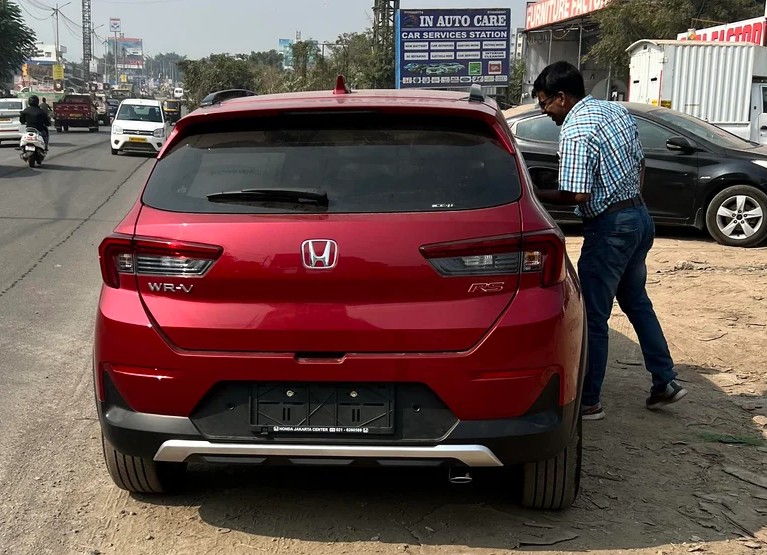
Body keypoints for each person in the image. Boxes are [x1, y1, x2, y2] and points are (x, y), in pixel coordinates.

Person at [531, 61, 687, 420]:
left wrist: (535, 194)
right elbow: (641, 164)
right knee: (636, 302)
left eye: (545, 103)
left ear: (561, 97)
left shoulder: (576, 129)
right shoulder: (615, 111)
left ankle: (589, 400)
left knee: (593, 316)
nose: (545, 112)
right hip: (638, 218)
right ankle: (665, 381)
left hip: (610, 228)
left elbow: (577, 194)